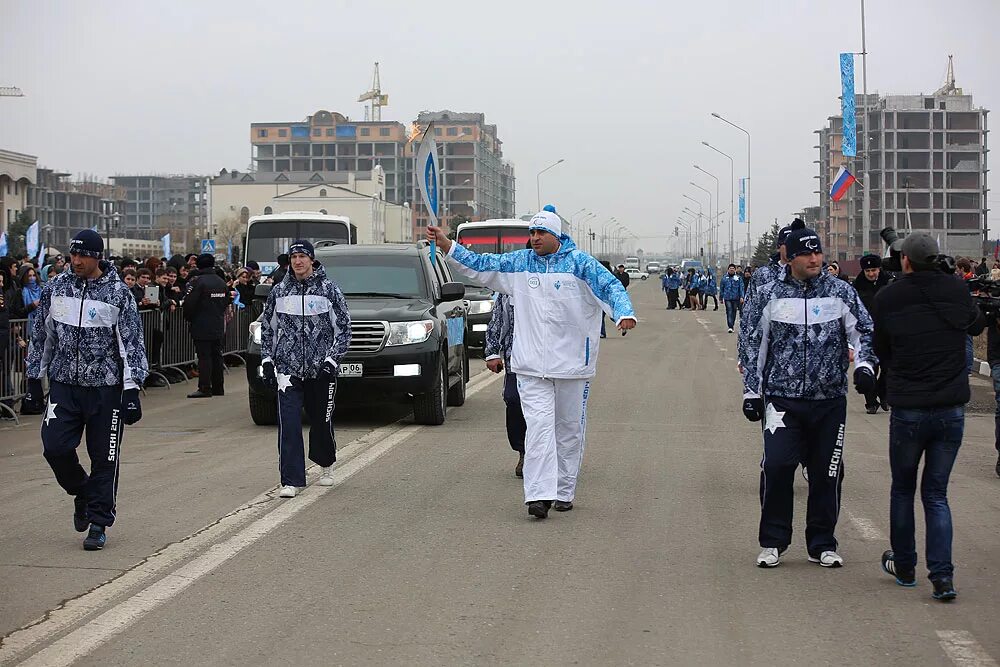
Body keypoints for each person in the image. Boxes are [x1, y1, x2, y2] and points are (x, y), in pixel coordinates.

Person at [426, 209, 636, 519]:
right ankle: (538, 495)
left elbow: (611, 288)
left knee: (568, 430)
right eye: (532, 233)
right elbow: (482, 265)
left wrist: (623, 314)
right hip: (529, 366)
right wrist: (448, 246)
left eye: (541, 233)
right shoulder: (519, 264)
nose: (534, 238)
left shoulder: (580, 265)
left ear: (557, 236)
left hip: (573, 366)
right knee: (537, 428)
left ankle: (564, 490)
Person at [740, 226, 875, 569]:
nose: (815, 259)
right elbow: (753, 343)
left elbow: (864, 331)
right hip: (782, 400)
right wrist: (752, 392)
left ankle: (822, 544)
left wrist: (864, 366)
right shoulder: (768, 293)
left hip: (829, 400)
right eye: (806, 254)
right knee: (777, 465)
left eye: (818, 253)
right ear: (791, 256)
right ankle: (773, 541)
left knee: (826, 472)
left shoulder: (839, 291)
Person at [874, 234, 984, 600]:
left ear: (905, 261)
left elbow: (881, 349)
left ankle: (905, 565)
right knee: (936, 493)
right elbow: (974, 325)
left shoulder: (889, 297)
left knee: (903, 488)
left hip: (908, 408)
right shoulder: (956, 290)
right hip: (951, 409)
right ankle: (943, 577)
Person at [27, 230, 148, 551]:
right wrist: (32, 380)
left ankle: (98, 523)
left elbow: (132, 343)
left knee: (105, 459)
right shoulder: (56, 289)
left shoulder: (118, 294)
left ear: (98, 257)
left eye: (83, 256)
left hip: (105, 390)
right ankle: (82, 491)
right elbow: (41, 337)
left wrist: (132, 389)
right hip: (64, 386)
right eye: (73, 255)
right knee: (54, 448)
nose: (76, 261)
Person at [260, 240, 351, 498]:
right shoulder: (279, 292)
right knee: (288, 424)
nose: (298, 261)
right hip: (288, 370)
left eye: (302, 256)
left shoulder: (328, 290)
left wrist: (332, 360)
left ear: (311, 260)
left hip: (320, 368)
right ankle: (292, 480)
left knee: (321, 421)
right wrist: (267, 360)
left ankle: (326, 464)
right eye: (294, 257)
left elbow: (343, 328)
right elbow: (268, 329)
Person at [485, 291, 526, 477]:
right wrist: (492, 352)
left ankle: (547, 456)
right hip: (516, 358)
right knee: (514, 400)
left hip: (551, 360)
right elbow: (497, 320)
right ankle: (523, 450)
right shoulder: (510, 286)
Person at [182, 254, 231, 398]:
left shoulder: (197, 282)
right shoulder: (221, 282)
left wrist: (189, 318)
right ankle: (218, 387)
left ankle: (204, 387)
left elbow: (189, 304)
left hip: (201, 324)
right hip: (217, 323)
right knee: (217, 355)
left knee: (204, 357)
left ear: (199, 265)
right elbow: (226, 301)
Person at [853, 255, 892, 413]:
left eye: (873, 270)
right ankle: (871, 402)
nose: (871, 274)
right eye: (867, 270)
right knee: (869, 368)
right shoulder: (857, 286)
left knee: (888, 368)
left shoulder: (889, 283)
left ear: (879, 269)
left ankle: (883, 394)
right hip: (867, 334)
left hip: (888, 332)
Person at [719, 264, 745, 333]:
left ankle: (732, 325)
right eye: (730, 268)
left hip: (736, 297)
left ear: (735, 270)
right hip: (727, 297)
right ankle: (730, 326)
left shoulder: (738, 278)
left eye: (733, 268)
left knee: (734, 311)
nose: (732, 269)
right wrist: (721, 298)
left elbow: (741, 288)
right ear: (728, 269)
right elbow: (722, 288)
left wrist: (742, 297)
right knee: (729, 310)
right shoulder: (724, 278)